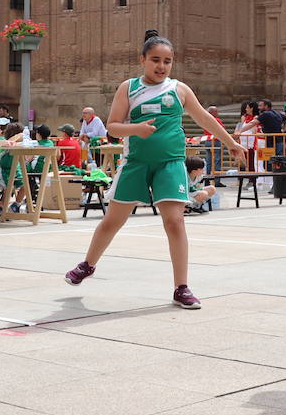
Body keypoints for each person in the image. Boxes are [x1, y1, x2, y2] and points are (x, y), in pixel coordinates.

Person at [65, 30, 247, 309]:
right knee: (113, 221)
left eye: (167, 61)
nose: (161, 66)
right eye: (155, 60)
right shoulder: (128, 88)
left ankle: (181, 288)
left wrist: (231, 142)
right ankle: (88, 264)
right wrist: (136, 128)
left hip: (171, 163)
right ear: (143, 60)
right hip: (136, 162)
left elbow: (205, 118)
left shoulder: (179, 90)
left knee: (175, 221)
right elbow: (113, 126)